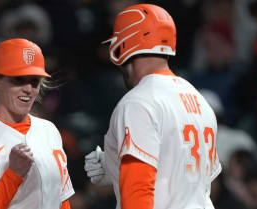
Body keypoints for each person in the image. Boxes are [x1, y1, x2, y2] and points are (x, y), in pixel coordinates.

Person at [84, 4, 221, 209]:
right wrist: (114, 164)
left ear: (123, 46)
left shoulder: (138, 102)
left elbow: (138, 190)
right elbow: (184, 174)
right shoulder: (200, 100)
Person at [0, 38, 74, 209]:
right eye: (19, 80)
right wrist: (13, 175)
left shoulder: (49, 130)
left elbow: (61, 199)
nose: (28, 89)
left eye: (34, 81)